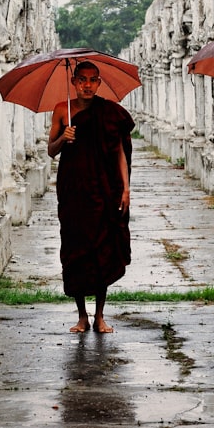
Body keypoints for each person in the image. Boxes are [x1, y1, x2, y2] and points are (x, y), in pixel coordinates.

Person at [48, 60, 134, 333]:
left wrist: (126, 188)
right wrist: (64, 137)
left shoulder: (111, 113)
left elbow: (120, 152)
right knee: (76, 251)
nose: (87, 85)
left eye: (92, 80)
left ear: (99, 83)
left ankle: (100, 315)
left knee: (103, 250)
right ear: (74, 82)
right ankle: (82, 316)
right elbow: (51, 150)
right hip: (74, 191)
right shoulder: (63, 110)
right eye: (82, 79)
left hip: (104, 188)